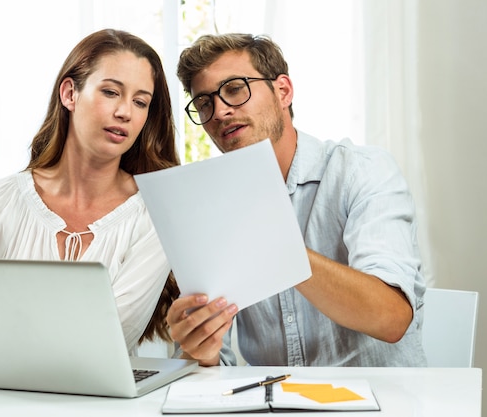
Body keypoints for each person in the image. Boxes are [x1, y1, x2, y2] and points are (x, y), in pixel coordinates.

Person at [0, 28, 180, 374]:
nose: (125, 112)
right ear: (70, 93)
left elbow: (110, 335)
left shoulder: (157, 211)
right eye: (111, 92)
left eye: (141, 102)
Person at [166, 33, 427, 367]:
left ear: (283, 91)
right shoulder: (210, 210)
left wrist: (277, 245)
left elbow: (390, 318)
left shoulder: (362, 171)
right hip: (275, 403)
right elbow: (217, 365)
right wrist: (200, 351)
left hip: (381, 402)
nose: (219, 111)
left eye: (234, 89)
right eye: (204, 103)